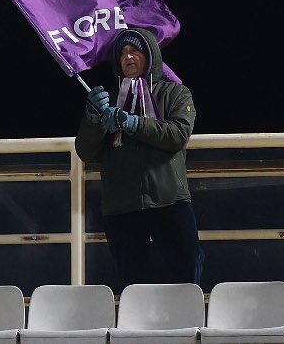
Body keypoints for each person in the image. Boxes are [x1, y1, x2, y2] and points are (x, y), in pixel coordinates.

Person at [74, 26, 204, 287]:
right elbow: (86, 151)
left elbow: (177, 135)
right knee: (130, 284)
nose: (128, 57)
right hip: (121, 208)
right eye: (122, 53)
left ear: (150, 56)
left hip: (169, 201)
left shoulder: (175, 93)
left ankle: (190, 327)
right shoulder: (109, 99)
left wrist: (135, 123)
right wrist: (93, 119)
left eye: (135, 51)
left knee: (187, 274)